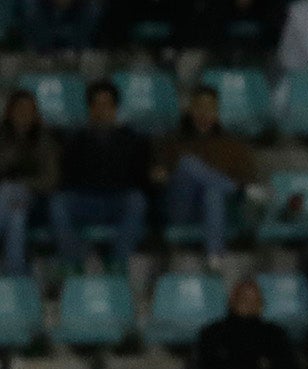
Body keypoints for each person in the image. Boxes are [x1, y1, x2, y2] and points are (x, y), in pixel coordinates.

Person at [49, 79, 150, 270]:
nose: (102, 110)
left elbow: (139, 178)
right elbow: (67, 178)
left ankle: (118, 264)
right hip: (85, 201)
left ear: (115, 108)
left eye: (107, 104)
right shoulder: (75, 140)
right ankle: (73, 263)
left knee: (137, 200)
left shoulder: (132, 139)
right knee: (59, 202)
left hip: (118, 200)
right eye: (97, 104)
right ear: (90, 108)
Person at [153, 83, 256, 259]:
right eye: (199, 107)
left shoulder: (232, 144)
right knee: (187, 163)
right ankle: (229, 186)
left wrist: (240, 185)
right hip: (182, 208)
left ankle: (214, 257)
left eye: (209, 108)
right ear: (190, 110)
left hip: (218, 210)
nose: (204, 113)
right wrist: (160, 175)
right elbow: (156, 175)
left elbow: (248, 177)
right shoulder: (171, 140)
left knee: (213, 191)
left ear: (217, 112)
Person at [0, 88, 60, 278]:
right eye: (19, 108)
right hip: (11, 206)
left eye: (29, 109)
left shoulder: (45, 139)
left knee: (11, 190)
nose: (24, 113)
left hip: (37, 201)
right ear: (9, 112)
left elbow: (50, 179)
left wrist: (24, 185)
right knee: (16, 216)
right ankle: (17, 277)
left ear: (36, 113)